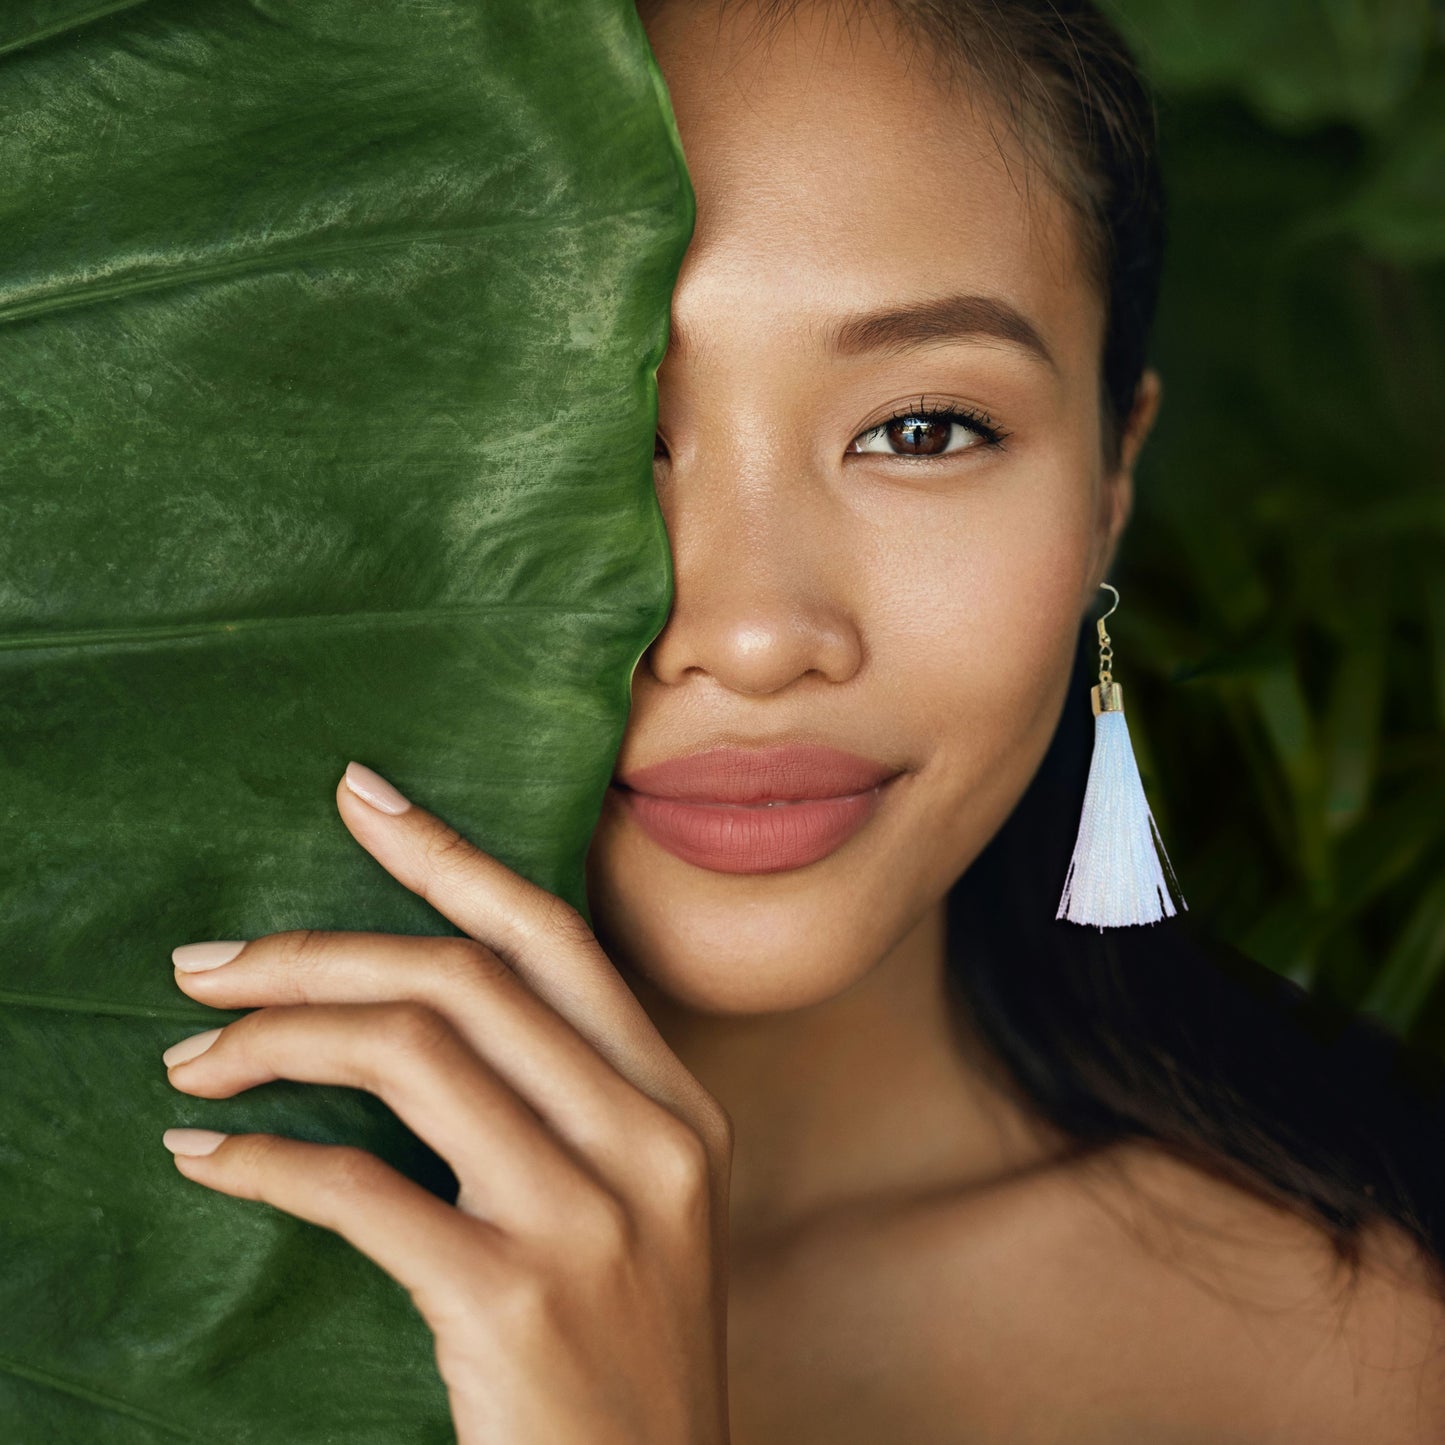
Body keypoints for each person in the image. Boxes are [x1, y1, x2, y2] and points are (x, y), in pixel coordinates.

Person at [160, 1, 1445, 1439]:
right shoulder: (93, 1281)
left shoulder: (1364, 1356)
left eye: (922, 428)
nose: (758, 633)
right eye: (591, 429)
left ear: (1107, 484)